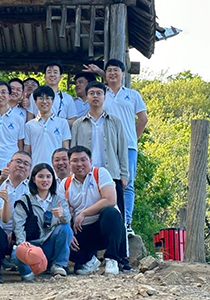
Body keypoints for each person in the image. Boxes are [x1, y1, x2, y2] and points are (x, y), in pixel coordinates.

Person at [70, 81, 129, 227]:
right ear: (87, 97)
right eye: (91, 93)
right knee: (86, 217)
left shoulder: (115, 122)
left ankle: (121, 242)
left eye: (99, 93)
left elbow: (122, 149)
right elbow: (73, 150)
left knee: (115, 216)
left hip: (111, 173)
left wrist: (124, 174)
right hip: (86, 176)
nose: (95, 96)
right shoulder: (78, 124)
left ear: (104, 97)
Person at [61, 146, 127, 275]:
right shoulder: (65, 184)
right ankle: (89, 261)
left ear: (90, 161)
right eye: (75, 161)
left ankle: (112, 259)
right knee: (61, 235)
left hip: (102, 227)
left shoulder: (100, 174)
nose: (79, 164)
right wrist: (68, 232)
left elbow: (110, 200)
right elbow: (63, 211)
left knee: (111, 213)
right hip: (81, 230)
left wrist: (84, 213)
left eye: (83, 160)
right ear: (69, 163)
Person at [102, 59, 148, 237]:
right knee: (105, 182)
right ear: (105, 74)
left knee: (127, 183)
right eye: (109, 70)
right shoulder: (101, 94)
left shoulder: (133, 95)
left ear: (123, 73)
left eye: (116, 70)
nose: (113, 73)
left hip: (128, 146)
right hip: (106, 145)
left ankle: (126, 222)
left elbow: (143, 119)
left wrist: (133, 138)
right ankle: (108, 221)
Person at [12, 163, 73, 281]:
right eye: (40, 176)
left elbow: (67, 223)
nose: (45, 180)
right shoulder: (25, 201)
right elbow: (18, 226)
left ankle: (58, 265)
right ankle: (29, 272)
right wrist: (23, 244)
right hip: (32, 245)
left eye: (48, 177)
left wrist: (62, 214)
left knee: (65, 228)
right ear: (34, 179)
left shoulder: (59, 200)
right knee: (17, 253)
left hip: (49, 244)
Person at [24, 86, 71, 167]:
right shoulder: (29, 125)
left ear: (52, 101)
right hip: (35, 169)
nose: (44, 101)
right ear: (35, 101)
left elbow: (65, 149)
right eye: (41, 98)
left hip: (57, 169)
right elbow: (27, 151)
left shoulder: (62, 123)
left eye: (48, 98)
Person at [27, 62, 78, 127]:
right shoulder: (34, 95)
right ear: (45, 76)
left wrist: (57, 122)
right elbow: (30, 118)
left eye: (55, 72)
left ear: (60, 77)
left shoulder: (67, 98)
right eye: (49, 72)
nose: (52, 75)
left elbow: (73, 121)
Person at [0, 151, 32, 237]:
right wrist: (1, 179)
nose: (21, 166)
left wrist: (17, 233)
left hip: (22, 233)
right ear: (8, 164)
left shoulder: (32, 188)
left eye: (26, 164)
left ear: (30, 170)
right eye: (18, 161)